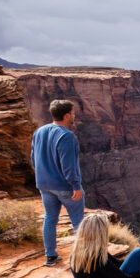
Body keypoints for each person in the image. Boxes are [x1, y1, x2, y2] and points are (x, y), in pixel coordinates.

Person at [31, 99, 85, 267]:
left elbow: (33, 158)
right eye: (73, 113)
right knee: (79, 222)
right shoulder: (67, 136)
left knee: (50, 219)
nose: (74, 116)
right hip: (65, 187)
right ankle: (83, 260)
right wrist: (76, 185)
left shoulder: (39, 131)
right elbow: (68, 166)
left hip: (44, 185)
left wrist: (42, 176)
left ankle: (51, 257)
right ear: (67, 115)